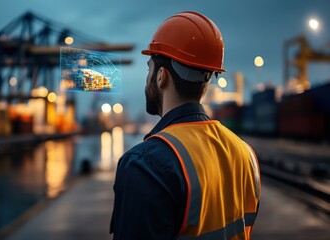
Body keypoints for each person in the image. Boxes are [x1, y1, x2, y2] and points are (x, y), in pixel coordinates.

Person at [110, 11, 261, 240]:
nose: (148, 77)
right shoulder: (245, 154)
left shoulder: (145, 164)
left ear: (161, 76)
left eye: (149, 69)